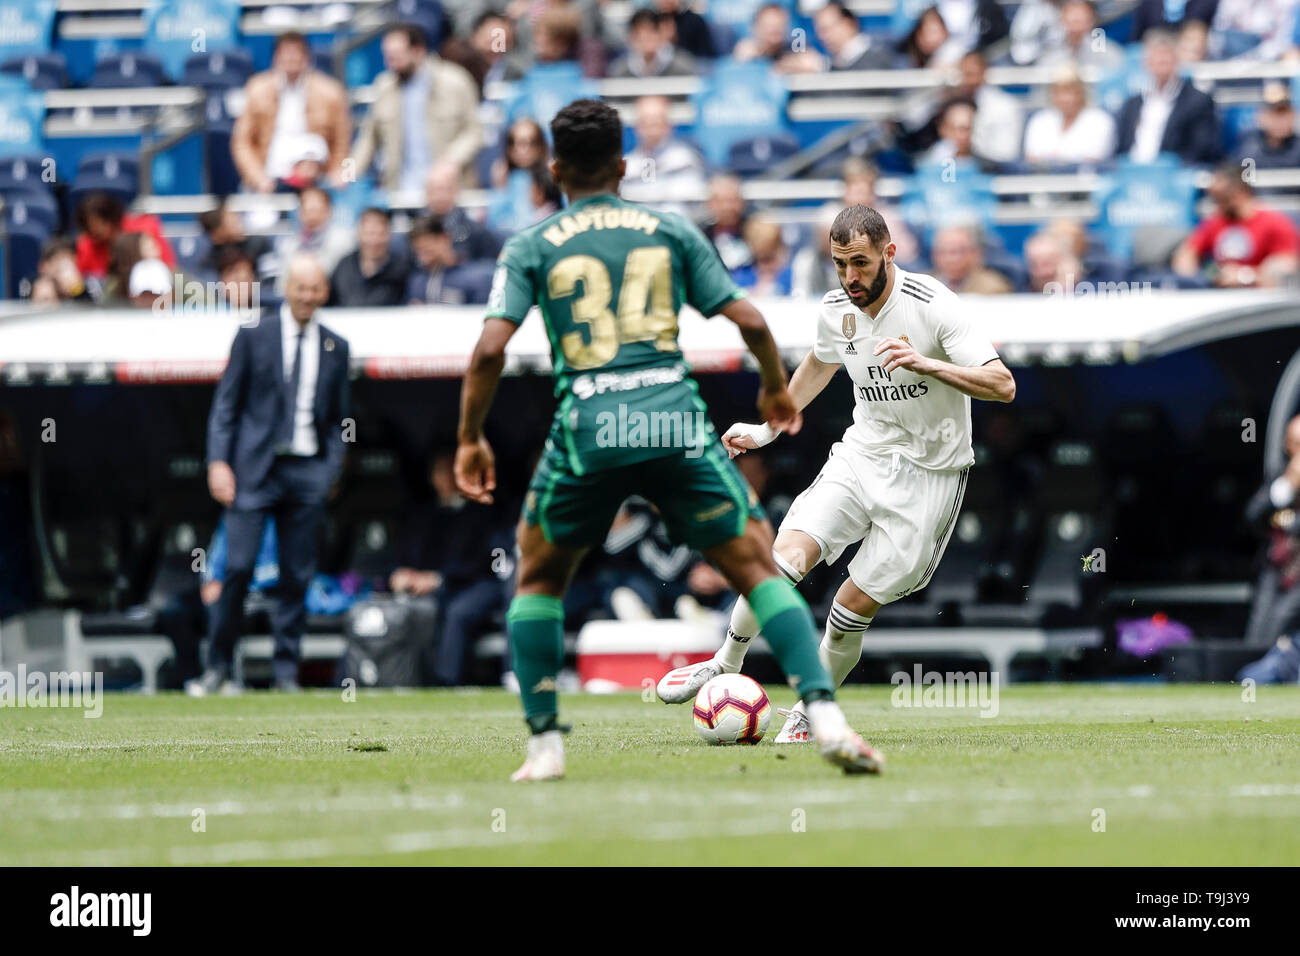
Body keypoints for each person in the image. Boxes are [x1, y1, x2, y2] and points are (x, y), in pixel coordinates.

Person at [455, 99, 882, 781]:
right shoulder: (667, 228)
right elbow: (745, 315)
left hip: (590, 423)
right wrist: (775, 389)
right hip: (671, 417)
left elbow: (487, 352)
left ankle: (544, 748)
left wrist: (470, 439)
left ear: (555, 167)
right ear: (624, 165)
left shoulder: (532, 244)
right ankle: (825, 716)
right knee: (756, 566)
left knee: (536, 578)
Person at [656, 205, 1017, 744]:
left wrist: (928, 364)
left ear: (889, 254)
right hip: (862, 454)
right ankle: (725, 662)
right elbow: (821, 364)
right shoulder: (836, 308)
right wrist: (766, 430)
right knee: (782, 559)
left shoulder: (932, 304)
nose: (850, 278)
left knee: (848, 607)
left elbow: (1003, 385)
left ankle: (811, 708)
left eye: (861, 264)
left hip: (929, 476)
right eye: (840, 264)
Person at [188, 253, 351, 695]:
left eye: (315, 289)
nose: (307, 296)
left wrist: (330, 469)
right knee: (237, 567)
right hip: (253, 471)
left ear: (324, 292)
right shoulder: (253, 336)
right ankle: (218, 667)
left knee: (296, 575)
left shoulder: (337, 346)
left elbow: (341, 420)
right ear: (286, 288)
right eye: (301, 287)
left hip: (306, 472)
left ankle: (285, 674)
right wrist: (218, 461)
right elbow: (226, 405)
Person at [390, 450, 512, 685]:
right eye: (440, 472)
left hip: (480, 583)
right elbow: (406, 555)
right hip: (432, 587)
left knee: (458, 612)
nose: (445, 478)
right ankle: (405, 679)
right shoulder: (422, 514)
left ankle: (447, 682)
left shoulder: (483, 510)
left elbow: (490, 561)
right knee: (410, 610)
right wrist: (401, 573)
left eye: (451, 471)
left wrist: (438, 578)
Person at [350, 23, 483, 194]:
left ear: (418, 50)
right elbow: (368, 139)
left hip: (448, 191)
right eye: (388, 57)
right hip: (400, 191)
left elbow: (475, 132)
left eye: (396, 57)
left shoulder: (455, 81)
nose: (390, 64)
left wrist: (451, 161)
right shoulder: (384, 86)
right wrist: (350, 173)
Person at [231, 31, 351, 194]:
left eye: (296, 53)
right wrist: (258, 178)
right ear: (275, 58)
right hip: (269, 180)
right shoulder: (256, 89)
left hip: (316, 183)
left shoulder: (331, 91)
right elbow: (242, 143)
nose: (291, 59)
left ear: (307, 57)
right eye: (286, 53)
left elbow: (341, 142)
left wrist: (335, 174)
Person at [1239, 414, 1300, 682]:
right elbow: (1253, 515)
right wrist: (1288, 487)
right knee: (1258, 637)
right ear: (1288, 446)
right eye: (1296, 444)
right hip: (1275, 574)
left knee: (1283, 624)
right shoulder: (1279, 478)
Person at [1171, 162, 1300, 286]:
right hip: (1221, 294)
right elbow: (1187, 253)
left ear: (1241, 192)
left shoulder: (1274, 222)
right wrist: (1193, 277)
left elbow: (1286, 267)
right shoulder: (1215, 221)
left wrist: (1245, 276)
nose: (1219, 205)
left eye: (1224, 198)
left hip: (1260, 298)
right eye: (1215, 199)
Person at [1114, 29, 1222, 165]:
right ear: (1146, 62)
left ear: (1177, 61)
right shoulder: (1132, 104)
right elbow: (1122, 147)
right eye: (1156, 57)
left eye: (1166, 57)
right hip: (1131, 172)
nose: (1161, 61)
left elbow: (1200, 149)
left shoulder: (1198, 101)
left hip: (1173, 174)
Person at [619, 94, 707, 216]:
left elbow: (687, 204)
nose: (651, 128)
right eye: (645, 121)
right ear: (636, 127)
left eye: (656, 121)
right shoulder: (626, 164)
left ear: (669, 125)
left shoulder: (685, 159)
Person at [1022, 66, 1116, 166]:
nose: (1064, 98)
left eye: (1069, 92)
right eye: (1058, 92)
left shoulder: (1100, 120)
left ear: (1081, 93)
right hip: (1043, 180)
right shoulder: (1040, 120)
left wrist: (1054, 160)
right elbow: (1031, 159)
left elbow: (1094, 159)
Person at [75, 192, 175, 281]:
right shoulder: (87, 245)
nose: (95, 231)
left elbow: (167, 267)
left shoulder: (145, 229)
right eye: (90, 228)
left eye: (99, 224)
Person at [273, 186, 354, 291]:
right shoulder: (289, 245)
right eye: (307, 210)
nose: (312, 216)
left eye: (316, 210)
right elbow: (282, 285)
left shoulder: (343, 240)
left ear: (329, 210)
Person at [329, 207, 414, 306]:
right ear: (359, 234)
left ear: (390, 236)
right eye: (369, 233)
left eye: (380, 234)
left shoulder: (404, 269)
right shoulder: (344, 266)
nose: (374, 240)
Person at [423, 161, 503, 264]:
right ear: (427, 193)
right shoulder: (415, 232)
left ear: (456, 191)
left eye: (444, 189)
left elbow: (489, 268)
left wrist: (455, 260)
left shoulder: (475, 231)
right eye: (434, 190)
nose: (439, 196)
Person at [608, 8, 697, 78]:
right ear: (631, 38)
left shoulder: (683, 67)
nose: (647, 39)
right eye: (641, 34)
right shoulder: (619, 71)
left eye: (651, 32)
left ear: (661, 34)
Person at [1038, 0, 1124, 69]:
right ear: (1062, 20)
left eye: (1080, 22)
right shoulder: (1050, 55)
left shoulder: (1108, 54)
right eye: (1073, 22)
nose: (1076, 28)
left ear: (1091, 21)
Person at [929, 223, 1014, 293]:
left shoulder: (995, 288)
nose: (951, 259)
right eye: (943, 251)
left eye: (959, 251)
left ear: (976, 253)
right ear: (934, 255)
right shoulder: (922, 285)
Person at [1234, 81, 1300, 169]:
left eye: (1284, 113)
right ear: (1261, 117)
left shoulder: (1297, 148)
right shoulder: (1248, 148)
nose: (1281, 121)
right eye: (1274, 114)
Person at [814, 2, 877, 70]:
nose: (821, 36)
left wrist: (823, 67)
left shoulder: (878, 52)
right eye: (819, 31)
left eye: (826, 29)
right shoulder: (839, 60)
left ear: (848, 24)